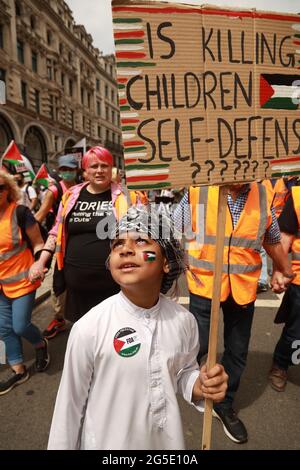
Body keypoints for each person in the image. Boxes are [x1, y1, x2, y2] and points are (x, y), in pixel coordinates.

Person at [47, 207, 228, 450]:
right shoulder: (89, 328)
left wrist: (200, 384)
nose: (126, 249)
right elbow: (68, 408)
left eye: (142, 240)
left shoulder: (184, 321)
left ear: (165, 261)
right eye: (117, 244)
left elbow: (182, 372)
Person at [174, 182, 295, 444]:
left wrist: (283, 268)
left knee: (237, 351)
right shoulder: (198, 189)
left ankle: (223, 403)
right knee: (198, 343)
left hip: (243, 287)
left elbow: (272, 239)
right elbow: (175, 229)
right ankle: (187, 384)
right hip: (204, 284)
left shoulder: (262, 193)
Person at [29, 146, 147, 325]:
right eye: (94, 166)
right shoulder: (71, 196)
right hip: (76, 286)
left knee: (116, 336)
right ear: (85, 170)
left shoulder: (127, 196)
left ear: (112, 169)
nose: (99, 170)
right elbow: (56, 232)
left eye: (104, 166)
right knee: (84, 338)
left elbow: (144, 234)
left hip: (116, 284)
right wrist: (40, 261)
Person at [0, 170, 50, 395]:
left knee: (20, 326)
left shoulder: (20, 212)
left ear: (8, 190)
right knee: (4, 329)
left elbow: (39, 243)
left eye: (0, 188)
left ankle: (40, 344)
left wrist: (38, 264)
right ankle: (19, 369)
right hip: (1, 286)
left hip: (23, 281)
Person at [35, 154, 79, 339]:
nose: (67, 173)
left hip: (79, 243)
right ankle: (59, 318)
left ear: (77, 170)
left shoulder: (84, 187)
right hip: (60, 243)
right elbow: (40, 215)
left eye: (70, 169)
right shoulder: (54, 191)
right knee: (59, 283)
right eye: (64, 170)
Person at [269, 186, 300, 392]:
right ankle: (281, 364)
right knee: (296, 332)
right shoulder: (298, 196)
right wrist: (279, 270)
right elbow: (285, 237)